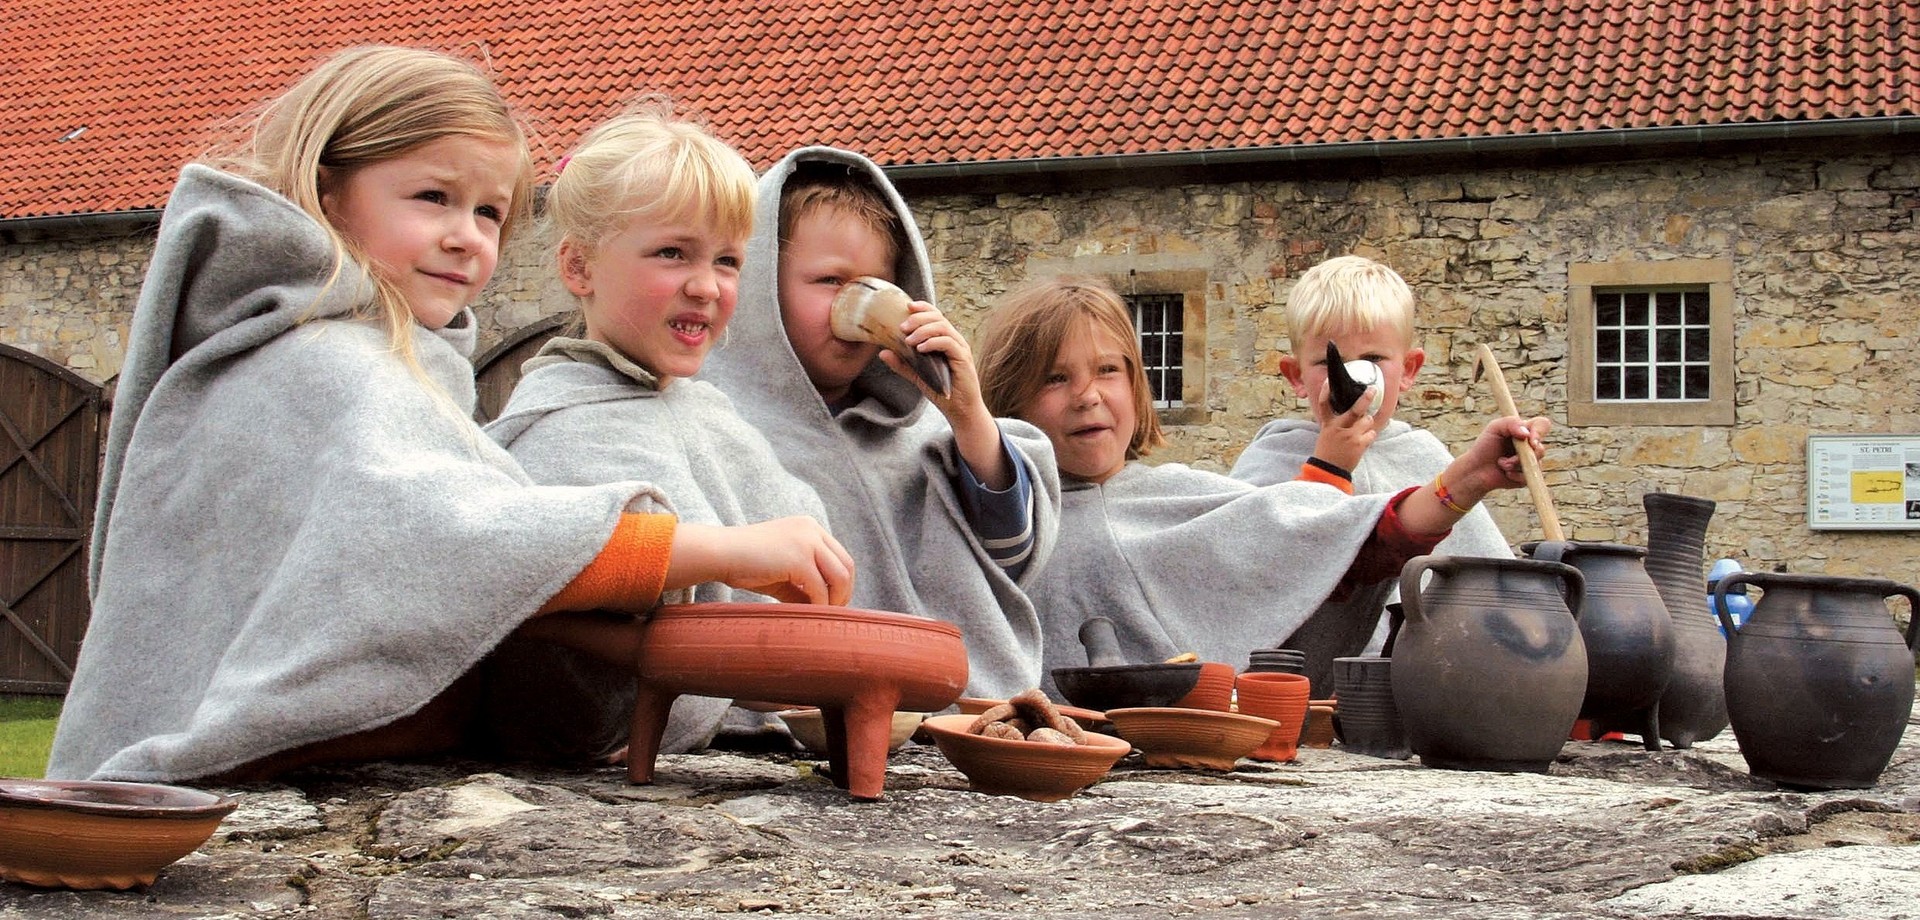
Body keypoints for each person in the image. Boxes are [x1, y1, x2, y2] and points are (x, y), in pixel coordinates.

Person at [46, 46, 845, 783]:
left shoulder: (386, 359)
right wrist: (719, 551)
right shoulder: (313, 362)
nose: (467, 239)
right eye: (434, 198)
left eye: (490, 213)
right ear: (329, 192)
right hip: (217, 788)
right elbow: (449, 543)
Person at [483, 103, 853, 757]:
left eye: (729, 262)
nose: (706, 286)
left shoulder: (715, 417)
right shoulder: (557, 429)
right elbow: (539, 610)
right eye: (672, 253)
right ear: (579, 268)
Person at [974, 275, 1549, 696]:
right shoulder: (994, 519)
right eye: (1055, 377)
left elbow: (1346, 544)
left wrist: (1464, 481)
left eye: (1108, 370)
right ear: (1009, 396)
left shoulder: (1190, 497)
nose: (1088, 395)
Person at [698, 147, 1061, 698]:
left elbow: (1009, 555)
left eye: (877, 284)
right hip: (785, 710)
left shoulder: (921, 438)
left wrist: (969, 417)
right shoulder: (716, 422)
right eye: (828, 281)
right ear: (760, 286)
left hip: (943, 712)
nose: (856, 304)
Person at [1229, 255, 1519, 656]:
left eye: (1374, 360)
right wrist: (1329, 466)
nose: (1353, 378)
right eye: (1328, 361)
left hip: (1425, 673)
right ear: (1296, 376)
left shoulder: (1424, 455)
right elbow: (1254, 569)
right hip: (1308, 679)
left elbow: (1487, 591)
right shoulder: (1273, 458)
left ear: (1409, 369)